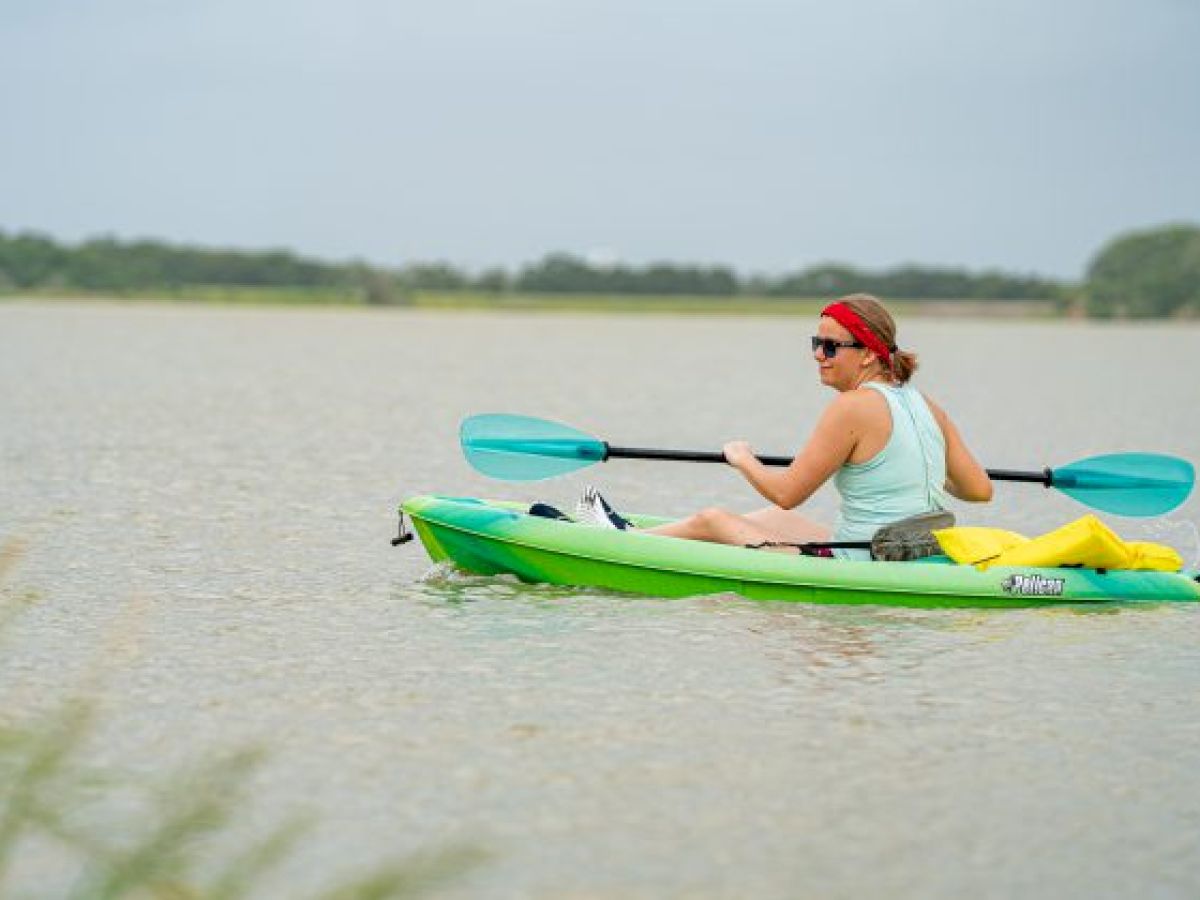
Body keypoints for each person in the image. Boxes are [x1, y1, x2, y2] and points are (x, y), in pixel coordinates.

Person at [574, 293, 993, 559]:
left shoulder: (851, 408)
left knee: (714, 519)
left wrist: (743, 459)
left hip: (863, 561)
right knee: (771, 518)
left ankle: (614, 545)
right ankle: (629, 532)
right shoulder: (927, 406)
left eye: (831, 346)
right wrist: (916, 466)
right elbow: (979, 489)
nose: (818, 355)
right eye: (816, 343)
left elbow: (789, 492)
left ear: (867, 355)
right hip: (911, 552)